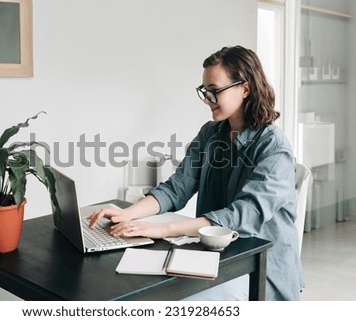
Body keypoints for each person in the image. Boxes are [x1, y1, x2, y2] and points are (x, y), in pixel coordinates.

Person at [88, 45, 304, 300]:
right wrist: (127, 213)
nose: (206, 100)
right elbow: (177, 187)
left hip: (258, 270)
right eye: (204, 92)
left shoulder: (274, 147)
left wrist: (163, 229)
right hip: (214, 259)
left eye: (214, 92)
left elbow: (242, 215)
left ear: (245, 89)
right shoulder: (211, 133)